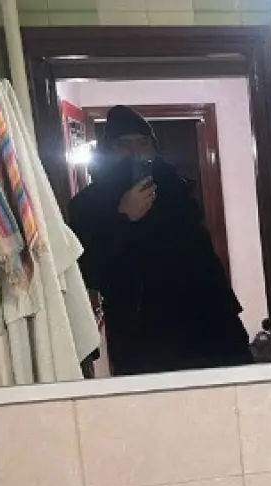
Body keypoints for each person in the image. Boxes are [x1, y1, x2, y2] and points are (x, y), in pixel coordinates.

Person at [68, 105, 252, 376]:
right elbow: (90, 272)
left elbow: (203, 256)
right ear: (107, 151)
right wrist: (123, 218)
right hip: (144, 336)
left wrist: (230, 317)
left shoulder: (177, 188)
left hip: (209, 321)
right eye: (123, 144)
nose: (134, 152)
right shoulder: (87, 204)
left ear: (154, 148)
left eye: (142, 143)